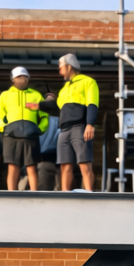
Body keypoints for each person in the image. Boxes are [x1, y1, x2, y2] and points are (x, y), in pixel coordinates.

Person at [46, 53, 99, 190]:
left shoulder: (88, 82)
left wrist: (90, 124)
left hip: (80, 127)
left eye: (61, 67)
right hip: (63, 130)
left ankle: (89, 194)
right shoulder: (64, 89)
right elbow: (55, 106)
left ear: (69, 66)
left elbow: (92, 104)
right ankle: (65, 196)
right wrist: (35, 105)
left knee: (84, 164)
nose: (59, 70)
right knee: (65, 166)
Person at [0, 66, 47, 191]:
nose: (22, 79)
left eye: (24, 77)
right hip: (11, 135)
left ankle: (35, 195)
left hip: (31, 135)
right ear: (13, 79)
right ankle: (11, 195)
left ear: (28, 79)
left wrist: (40, 129)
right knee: (13, 167)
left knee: (31, 167)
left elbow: (44, 116)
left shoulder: (36, 95)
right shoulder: (5, 95)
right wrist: (3, 129)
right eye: (18, 77)